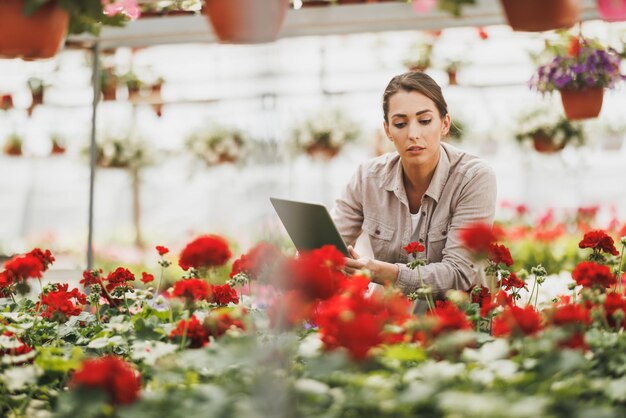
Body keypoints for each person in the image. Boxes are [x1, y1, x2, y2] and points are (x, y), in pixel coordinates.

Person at [331, 71, 497, 309]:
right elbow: (329, 247)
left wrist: (378, 271)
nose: (413, 134)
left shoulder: (473, 177)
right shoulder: (367, 178)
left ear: (445, 124)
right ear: (387, 130)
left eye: (425, 120)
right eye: (400, 124)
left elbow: (459, 273)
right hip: (393, 322)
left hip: (458, 325)